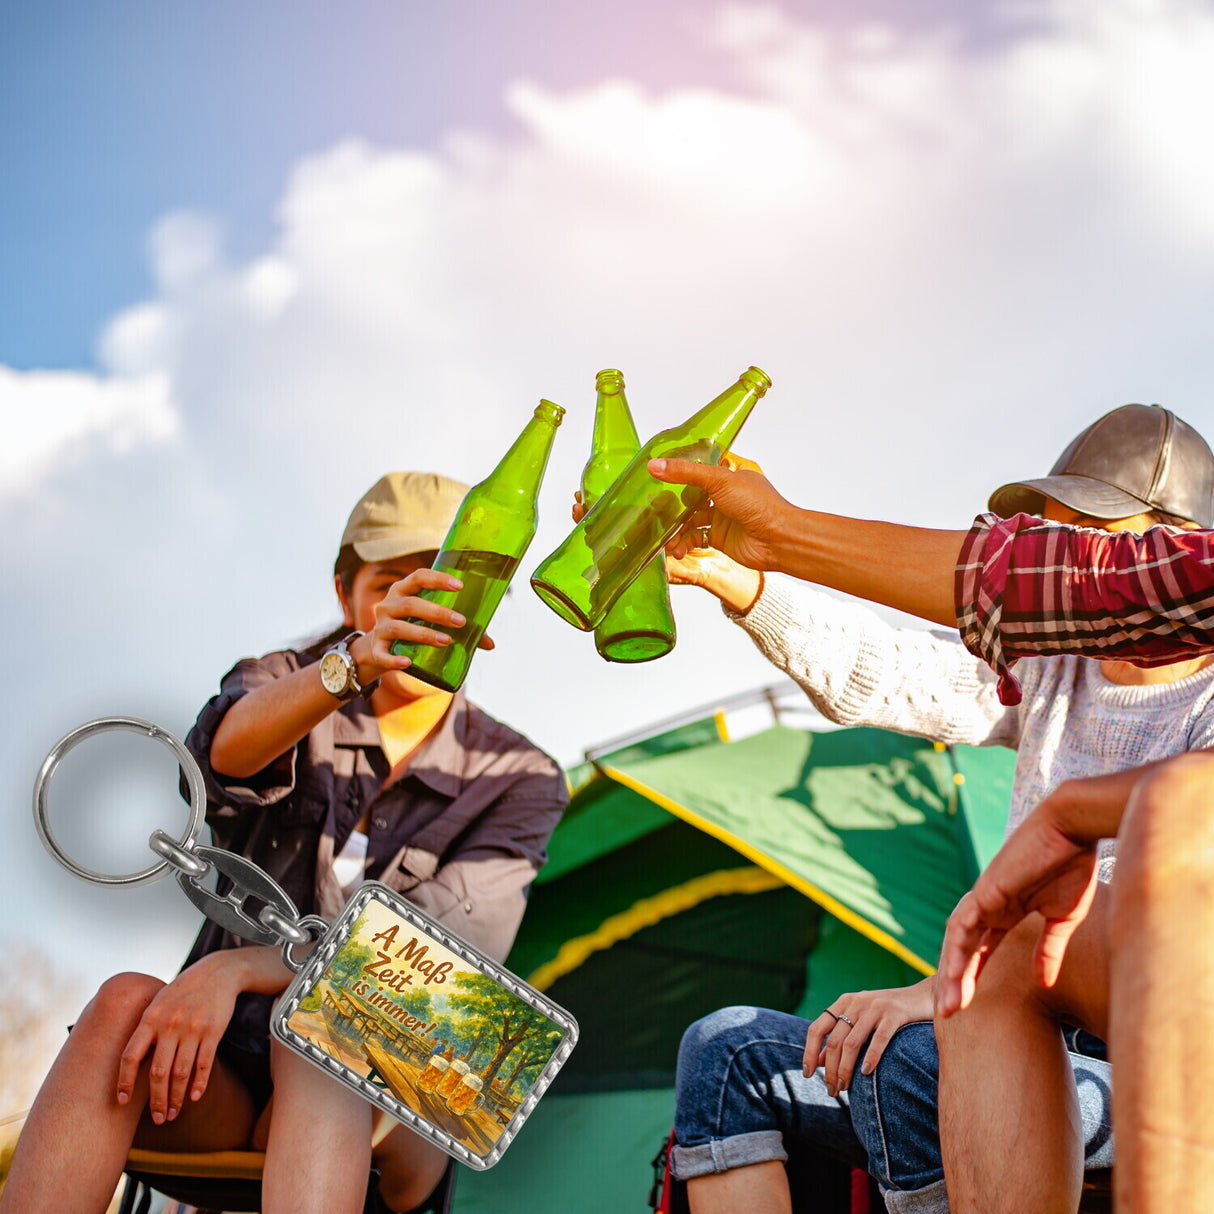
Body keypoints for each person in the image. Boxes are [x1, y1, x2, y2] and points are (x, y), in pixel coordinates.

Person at [653, 407, 1214, 1212]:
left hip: (1152, 1044)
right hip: (1013, 1007)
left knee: (912, 1066)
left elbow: (1163, 907)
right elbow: (889, 669)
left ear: (1174, 547)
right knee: (728, 1051)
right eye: (1051, 534)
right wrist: (739, 582)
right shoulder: (1054, 668)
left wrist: (937, 992)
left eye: (1088, 536)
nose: (1063, 558)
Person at [1, 471, 568, 1214]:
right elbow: (223, 756)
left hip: (395, 1099)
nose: (424, 603)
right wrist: (354, 665)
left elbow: (440, 981)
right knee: (119, 1003)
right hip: (219, 1076)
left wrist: (239, 967)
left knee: (327, 1035)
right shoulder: (287, 685)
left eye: (451, 586)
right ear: (347, 596)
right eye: (396, 582)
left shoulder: (520, 775)